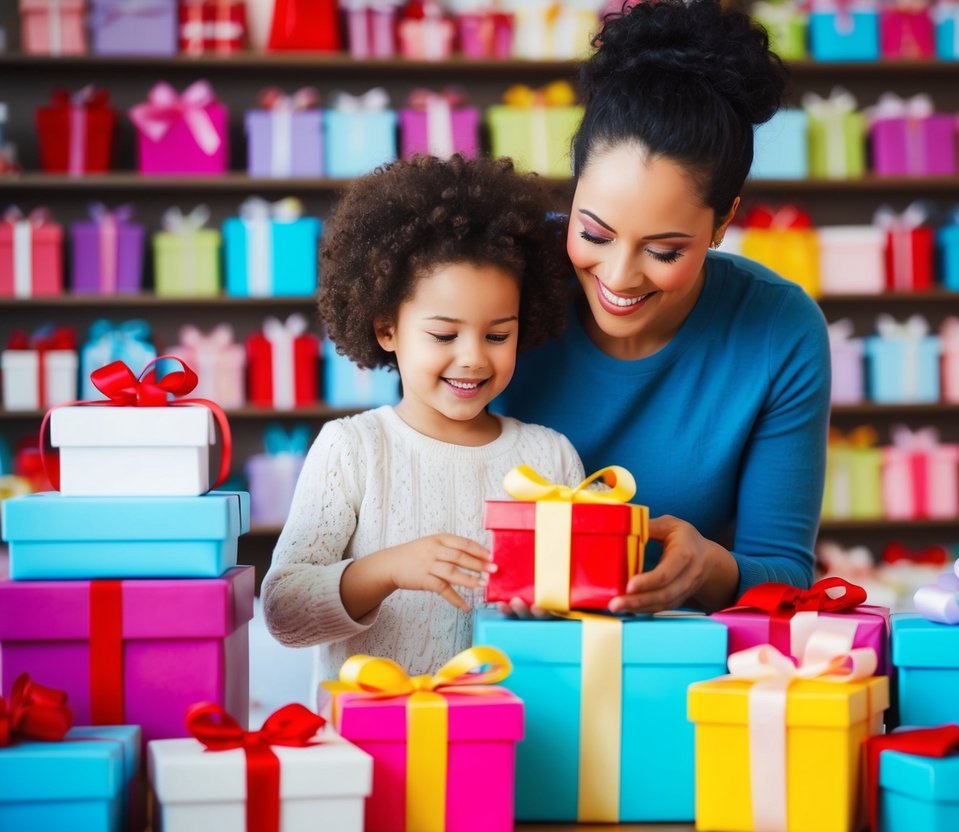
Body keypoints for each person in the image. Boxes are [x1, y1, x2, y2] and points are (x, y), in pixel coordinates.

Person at [496, 0, 831, 615]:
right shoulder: (497, 273)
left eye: (664, 249)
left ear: (723, 220)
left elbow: (786, 575)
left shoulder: (779, 331)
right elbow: (409, 459)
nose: (618, 276)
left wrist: (712, 569)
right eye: (593, 234)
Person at [262, 155, 585, 682]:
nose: (474, 358)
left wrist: (556, 610)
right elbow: (283, 612)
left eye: (498, 335)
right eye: (444, 335)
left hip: (512, 743)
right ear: (387, 328)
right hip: (376, 745)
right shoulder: (353, 449)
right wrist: (385, 570)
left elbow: (581, 613)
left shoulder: (549, 458)